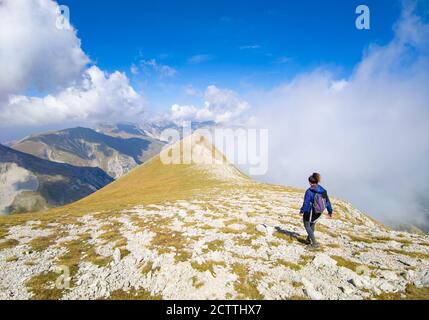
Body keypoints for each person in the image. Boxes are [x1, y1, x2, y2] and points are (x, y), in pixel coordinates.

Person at [300, 173, 333, 249]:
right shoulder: (323, 190)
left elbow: (306, 203)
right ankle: (308, 240)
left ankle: (314, 244)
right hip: (318, 212)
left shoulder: (309, 191)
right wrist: (330, 211)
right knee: (312, 225)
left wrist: (302, 210)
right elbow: (327, 202)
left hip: (310, 211)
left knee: (307, 225)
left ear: (310, 182)